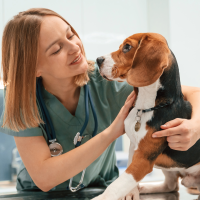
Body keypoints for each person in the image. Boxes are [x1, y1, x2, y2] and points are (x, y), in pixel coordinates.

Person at [1, 8, 200, 194]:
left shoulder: (104, 80)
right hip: (39, 197)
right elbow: (44, 178)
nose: (74, 47)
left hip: (101, 189)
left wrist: (195, 126)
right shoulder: (20, 100)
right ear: (33, 68)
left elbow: (193, 93)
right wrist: (110, 133)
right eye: (56, 49)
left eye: (70, 35)